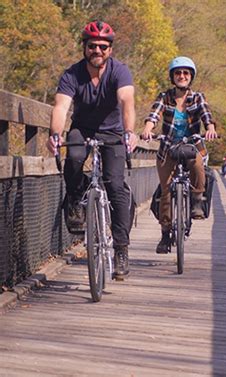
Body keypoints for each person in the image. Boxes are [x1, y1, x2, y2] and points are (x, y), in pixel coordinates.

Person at [47, 20, 137, 280]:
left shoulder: (120, 72)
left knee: (115, 184)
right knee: (73, 158)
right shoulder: (72, 74)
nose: (97, 51)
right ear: (84, 47)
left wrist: (129, 132)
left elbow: (126, 102)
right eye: (92, 46)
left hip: (112, 132)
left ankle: (121, 248)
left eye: (103, 47)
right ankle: (76, 199)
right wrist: (54, 134)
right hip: (82, 129)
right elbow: (61, 107)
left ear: (110, 49)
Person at [141, 56, 218, 254]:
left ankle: (197, 200)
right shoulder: (164, 97)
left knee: (198, 164)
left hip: (193, 144)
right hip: (168, 147)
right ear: (172, 77)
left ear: (191, 76)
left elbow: (206, 114)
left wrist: (209, 128)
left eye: (185, 73)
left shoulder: (198, 97)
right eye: (178, 73)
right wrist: (148, 129)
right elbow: (154, 115)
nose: (182, 76)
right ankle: (165, 234)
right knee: (166, 191)